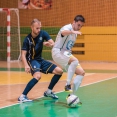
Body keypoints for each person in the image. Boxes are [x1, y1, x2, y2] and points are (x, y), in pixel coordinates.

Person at [18, 19, 63, 102]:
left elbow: (53, 43)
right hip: (31, 60)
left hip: (40, 60)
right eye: (37, 28)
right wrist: (26, 65)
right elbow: (23, 55)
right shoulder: (27, 39)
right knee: (37, 76)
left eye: (40, 28)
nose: (39, 30)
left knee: (59, 71)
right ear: (31, 27)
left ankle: (49, 91)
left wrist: (49, 44)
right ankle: (22, 96)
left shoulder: (43, 33)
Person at [52, 15, 85, 98]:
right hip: (58, 52)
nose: (79, 27)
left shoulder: (75, 34)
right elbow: (63, 33)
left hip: (65, 53)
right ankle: (67, 85)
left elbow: (67, 47)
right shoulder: (67, 27)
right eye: (78, 25)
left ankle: (72, 96)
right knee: (75, 61)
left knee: (81, 73)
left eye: (81, 26)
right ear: (74, 22)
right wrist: (73, 32)